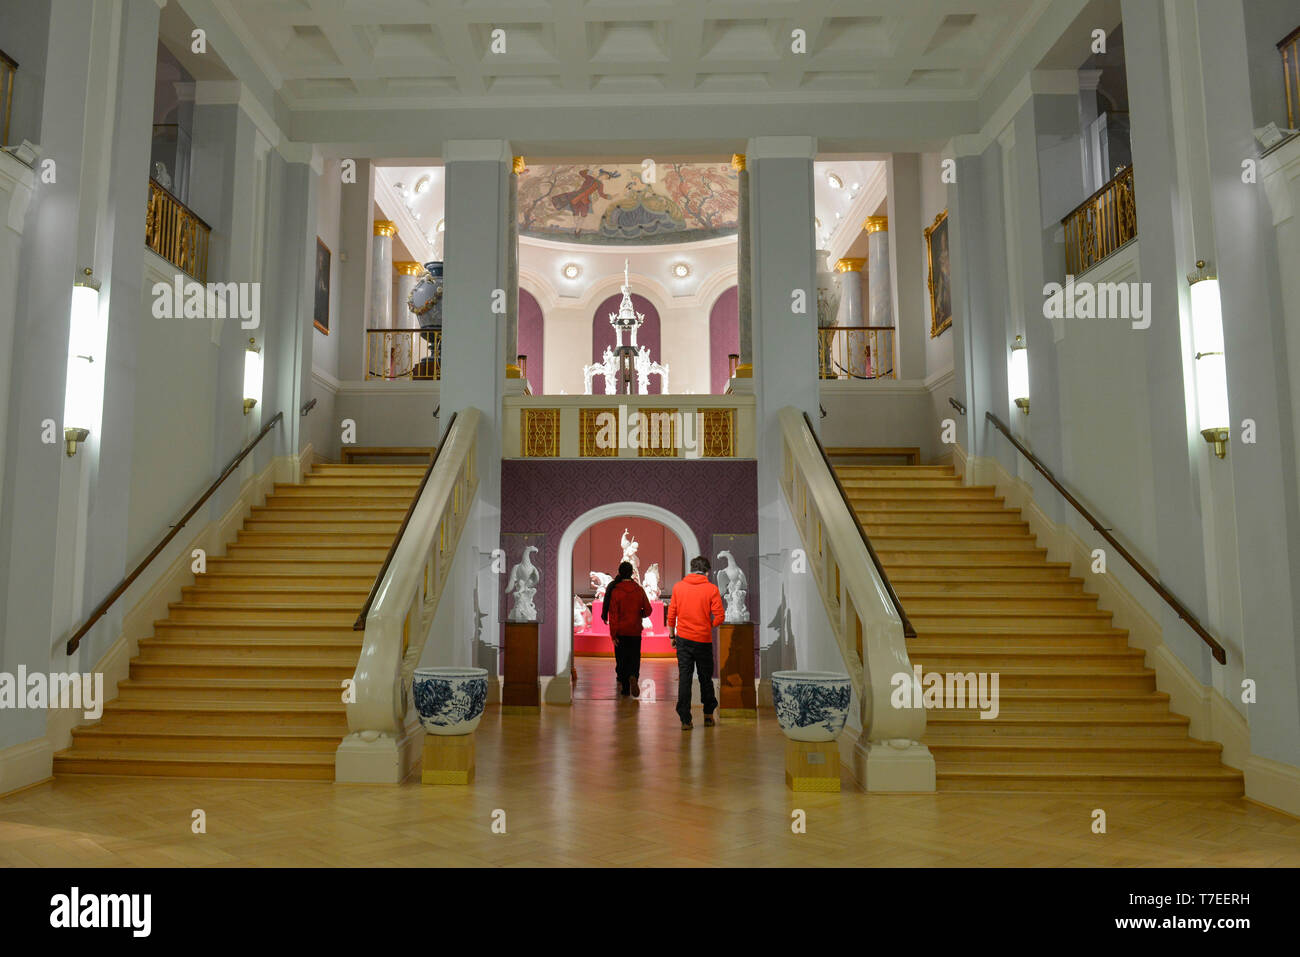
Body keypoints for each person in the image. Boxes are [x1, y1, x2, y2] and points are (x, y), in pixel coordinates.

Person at [666, 555, 725, 730]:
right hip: (703, 640)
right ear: (707, 571)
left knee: (685, 678)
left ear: (691, 570)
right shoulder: (711, 589)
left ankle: (685, 719)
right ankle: (708, 715)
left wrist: (672, 636)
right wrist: (708, 625)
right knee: (705, 677)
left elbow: (671, 614)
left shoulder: (679, 587)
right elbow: (720, 617)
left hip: (683, 640)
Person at [601, 561, 651, 697]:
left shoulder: (615, 590)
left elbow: (614, 614)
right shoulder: (639, 589)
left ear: (619, 572)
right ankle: (634, 675)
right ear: (632, 573)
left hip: (621, 631)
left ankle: (625, 687)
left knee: (622, 658)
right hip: (635, 630)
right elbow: (648, 610)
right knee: (635, 657)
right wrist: (639, 614)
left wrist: (613, 634)